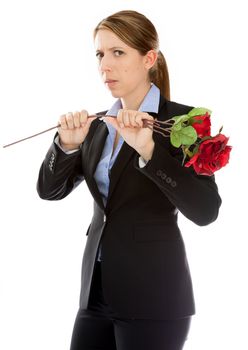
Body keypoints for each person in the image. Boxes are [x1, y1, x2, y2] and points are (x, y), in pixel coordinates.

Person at [37, 9, 222, 350]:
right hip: (95, 295)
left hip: (155, 297)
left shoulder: (183, 123)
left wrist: (150, 151)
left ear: (149, 58)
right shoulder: (97, 126)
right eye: (100, 54)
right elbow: (49, 191)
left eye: (117, 52)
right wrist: (66, 146)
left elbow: (206, 210)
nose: (104, 66)